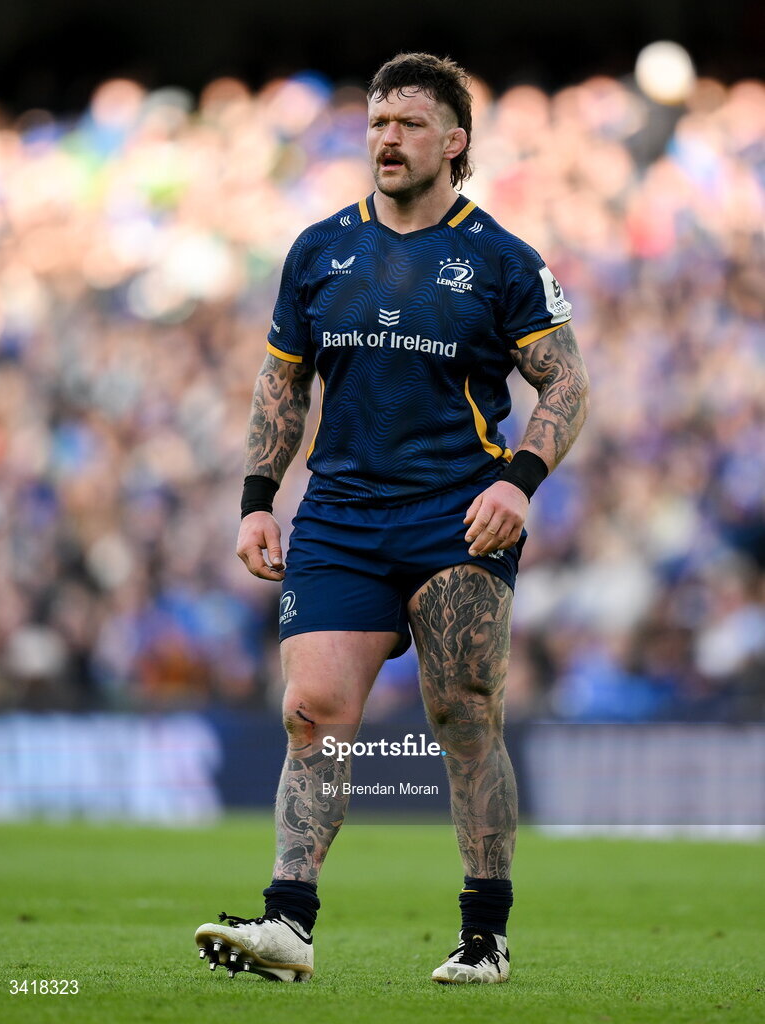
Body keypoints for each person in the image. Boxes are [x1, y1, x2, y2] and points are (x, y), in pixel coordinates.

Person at [195, 51, 589, 984]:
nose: (388, 139)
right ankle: (289, 924)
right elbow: (281, 383)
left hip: (459, 516)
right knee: (311, 714)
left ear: (455, 142)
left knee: (462, 714)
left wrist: (519, 481)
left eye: (409, 124)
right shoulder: (318, 249)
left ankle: (484, 936)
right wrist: (258, 498)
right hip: (338, 515)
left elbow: (566, 382)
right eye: (377, 123)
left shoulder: (501, 258)